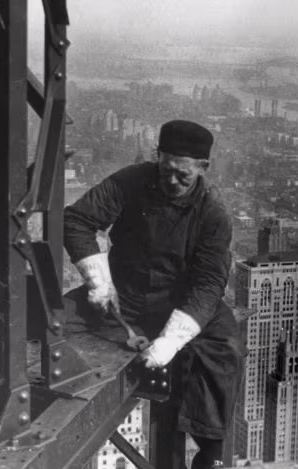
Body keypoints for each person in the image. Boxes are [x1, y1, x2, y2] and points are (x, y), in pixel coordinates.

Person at [63, 120, 245, 469]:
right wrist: (98, 281)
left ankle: (210, 452)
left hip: (181, 301)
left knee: (226, 348)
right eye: (166, 170)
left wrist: (170, 342)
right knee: (54, 320)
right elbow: (77, 220)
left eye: (183, 175)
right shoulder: (130, 181)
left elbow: (208, 283)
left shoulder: (213, 213)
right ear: (157, 157)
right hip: (124, 295)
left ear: (203, 168)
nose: (171, 181)